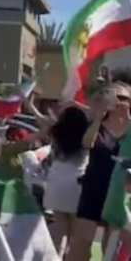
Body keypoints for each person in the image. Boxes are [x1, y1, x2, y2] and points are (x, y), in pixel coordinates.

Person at [67, 81, 131, 261]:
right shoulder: (99, 123)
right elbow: (87, 143)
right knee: (81, 242)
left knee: (111, 247)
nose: (119, 102)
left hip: (118, 193)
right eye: (115, 96)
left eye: (124, 98)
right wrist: (98, 117)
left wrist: (128, 120)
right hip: (94, 188)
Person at [43, 105, 90, 257]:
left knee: (59, 232)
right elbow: (96, 116)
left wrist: (25, 99)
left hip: (56, 180)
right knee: (75, 235)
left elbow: (39, 117)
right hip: (76, 183)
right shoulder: (87, 136)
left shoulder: (56, 132)